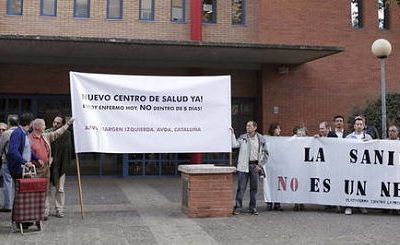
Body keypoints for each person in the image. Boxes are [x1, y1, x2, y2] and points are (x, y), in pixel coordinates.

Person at [28, 117, 73, 220]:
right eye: (43, 125)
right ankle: (43, 211)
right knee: (42, 190)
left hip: (48, 167)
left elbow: (57, 133)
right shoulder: (29, 139)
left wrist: (68, 124)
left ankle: (52, 210)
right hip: (36, 169)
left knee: (51, 189)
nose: (46, 126)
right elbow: (26, 153)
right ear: (38, 127)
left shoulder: (45, 136)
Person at [232, 121, 268, 215]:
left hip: (255, 166)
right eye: (247, 125)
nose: (247, 127)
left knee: (254, 189)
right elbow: (234, 145)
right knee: (241, 188)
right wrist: (232, 134)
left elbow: (266, 154)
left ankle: (252, 207)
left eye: (249, 126)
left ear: (255, 127)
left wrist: (260, 165)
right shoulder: (243, 137)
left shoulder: (261, 139)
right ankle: (238, 207)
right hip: (243, 166)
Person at [45, 116, 73, 218]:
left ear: (62, 124)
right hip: (48, 165)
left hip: (60, 164)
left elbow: (67, 151)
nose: (55, 125)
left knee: (60, 189)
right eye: (54, 122)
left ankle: (59, 209)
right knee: (46, 189)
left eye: (58, 123)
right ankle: (45, 210)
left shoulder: (67, 135)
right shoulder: (47, 132)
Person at [344, 116, 371, 215]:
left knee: (362, 185)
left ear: (364, 126)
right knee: (351, 184)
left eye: (361, 124)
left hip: (363, 167)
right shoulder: (348, 138)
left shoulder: (368, 138)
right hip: (352, 167)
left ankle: (361, 205)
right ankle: (349, 206)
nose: (359, 126)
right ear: (354, 126)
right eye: (357, 124)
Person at [0, 115, 18, 212]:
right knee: (18, 184)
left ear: (9, 123)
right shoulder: (22, 132)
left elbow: (1, 148)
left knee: (7, 183)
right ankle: (18, 205)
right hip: (20, 162)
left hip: (7, 161)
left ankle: (7, 205)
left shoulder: (6, 134)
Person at [266, 123, 283, 211]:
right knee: (269, 184)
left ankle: (277, 203)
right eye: (278, 128)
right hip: (270, 165)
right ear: (274, 130)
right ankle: (269, 202)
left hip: (278, 166)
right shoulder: (268, 140)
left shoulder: (281, 140)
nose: (280, 130)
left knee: (278, 184)